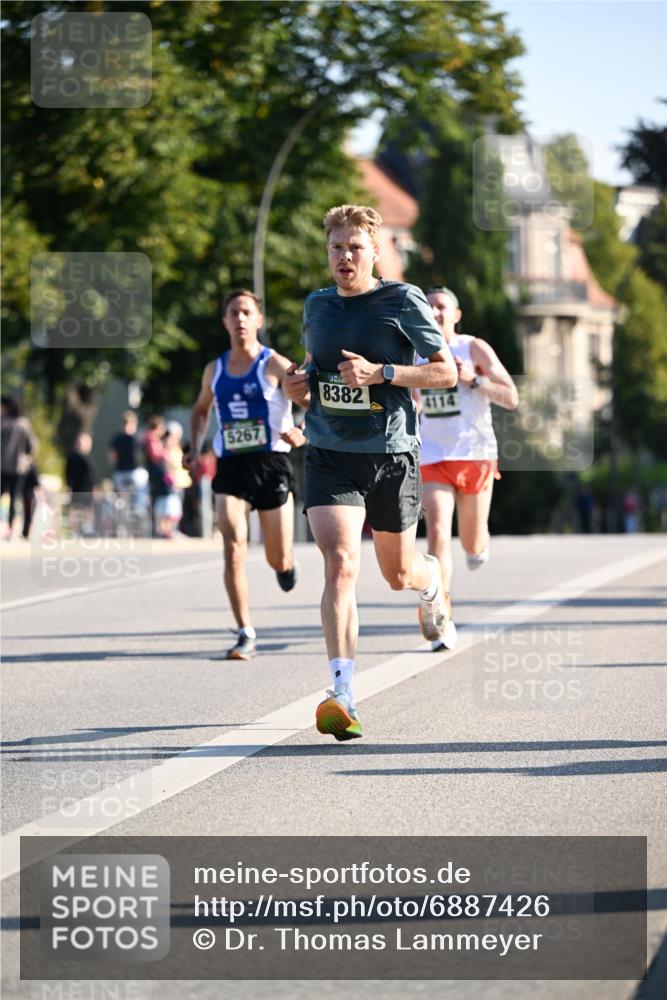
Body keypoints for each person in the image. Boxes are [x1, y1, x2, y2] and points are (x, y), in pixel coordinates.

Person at [282, 204, 458, 742]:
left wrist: (381, 372)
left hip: (391, 455)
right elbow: (314, 371)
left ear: (374, 252)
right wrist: (299, 385)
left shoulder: (400, 300)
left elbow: (446, 371)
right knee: (338, 565)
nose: (345, 257)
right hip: (331, 453)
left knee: (397, 574)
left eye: (355, 247)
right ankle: (343, 694)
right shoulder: (316, 306)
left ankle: (432, 587)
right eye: (336, 247)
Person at [183, 289, 305, 660]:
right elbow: (201, 410)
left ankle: (285, 567)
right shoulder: (215, 369)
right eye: (233, 313)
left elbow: (311, 399)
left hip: (272, 464)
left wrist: (302, 430)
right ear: (225, 321)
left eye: (246, 312)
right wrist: (194, 445)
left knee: (276, 557)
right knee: (233, 545)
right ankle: (245, 632)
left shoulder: (274, 364)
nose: (239, 319)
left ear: (258, 320)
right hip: (232, 464)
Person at [417, 286, 519, 649]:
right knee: (438, 534)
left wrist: (474, 379)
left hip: (474, 454)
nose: (436, 312)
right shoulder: (414, 353)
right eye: (429, 307)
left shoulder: (472, 348)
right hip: (432, 457)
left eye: (442, 306)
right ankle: (441, 616)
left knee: (472, 542)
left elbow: (511, 396)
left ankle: (479, 546)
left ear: (456, 315)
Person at [1, 396, 37, 540]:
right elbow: (32, 446)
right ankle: (10, 529)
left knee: (10, 498)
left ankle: (9, 529)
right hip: (18, 467)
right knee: (14, 499)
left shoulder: (3, 422)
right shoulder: (23, 424)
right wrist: (27, 457)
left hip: (3, 467)